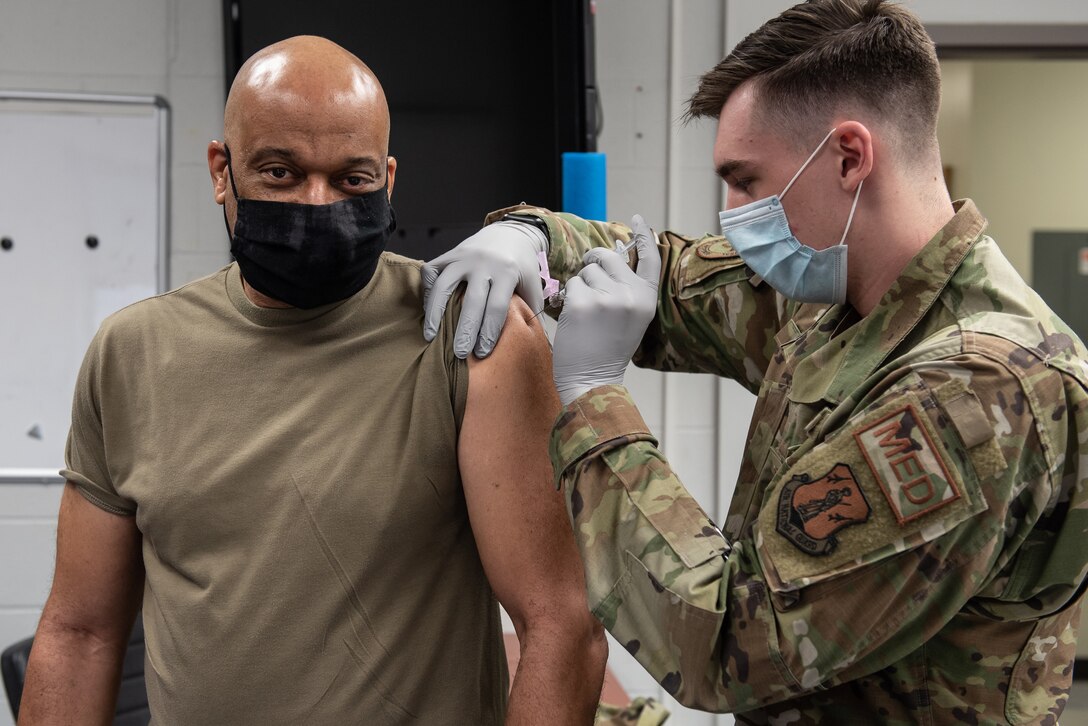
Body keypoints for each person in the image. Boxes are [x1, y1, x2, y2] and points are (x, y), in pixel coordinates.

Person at [420, 1, 1088, 722]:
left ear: (849, 156)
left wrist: (593, 399)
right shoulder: (838, 290)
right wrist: (533, 238)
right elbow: (671, 280)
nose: (732, 214)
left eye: (747, 182)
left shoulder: (981, 393)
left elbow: (728, 641)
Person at [18, 36, 606, 725]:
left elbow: (561, 625)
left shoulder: (471, 337)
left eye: (352, 180)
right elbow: (79, 634)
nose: (317, 205)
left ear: (387, 179)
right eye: (280, 172)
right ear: (221, 170)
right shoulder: (132, 353)